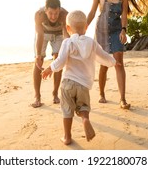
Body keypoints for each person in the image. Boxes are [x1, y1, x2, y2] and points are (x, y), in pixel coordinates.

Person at [87, 0, 148, 109]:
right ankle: (102, 94)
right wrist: (83, 27)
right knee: (104, 65)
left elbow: (124, 15)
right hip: (101, 31)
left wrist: (123, 30)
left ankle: (122, 99)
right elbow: (92, 12)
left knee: (119, 63)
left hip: (116, 31)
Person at [41, 10, 117, 145]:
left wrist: (50, 68)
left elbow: (61, 61)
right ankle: (85, 120)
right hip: (83, 85)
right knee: (83, 108)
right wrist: (114, 62)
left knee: (67, 110)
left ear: (68, 28)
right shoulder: (92, 43)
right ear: (86, 27)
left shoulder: (67, 42)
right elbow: (104, 57)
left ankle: (67, 136)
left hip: (68, 83)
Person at [31, 0, 69, 108]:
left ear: (60, 10)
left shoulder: (65, 15)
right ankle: (37, 97)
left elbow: (66, 34)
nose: (53, 17)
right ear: (45, 10)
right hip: (44, 33)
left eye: (56, 13)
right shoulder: (39, 15)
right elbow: (39, 35)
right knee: (38, 61)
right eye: (50, 13)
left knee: (58, 59)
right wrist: (38, 55)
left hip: (58, 34)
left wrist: (67, 50)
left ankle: (55, 93)